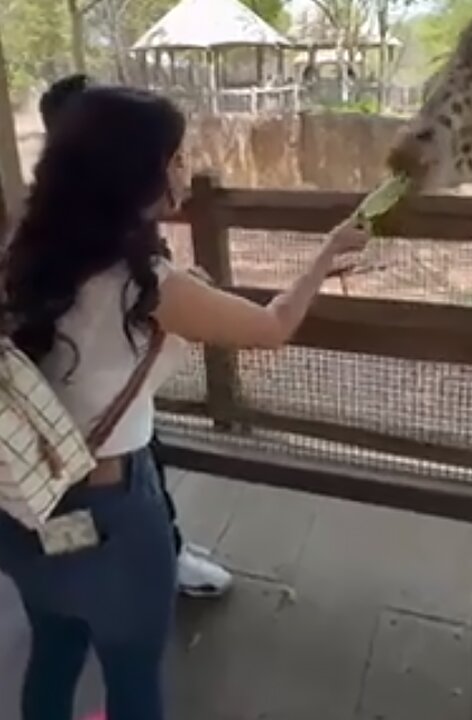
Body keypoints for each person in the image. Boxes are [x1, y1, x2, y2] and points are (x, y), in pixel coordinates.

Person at [0, 84, 369, 718]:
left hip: (23, 505)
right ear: (134, 173)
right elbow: (273, 325)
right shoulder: (148, 285)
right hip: (115, 515)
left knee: (54, 650)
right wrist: (328, 252)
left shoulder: (19, 256)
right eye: (173, 158)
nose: (182, 170)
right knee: (133, 673)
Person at [39, 73, 233, 598]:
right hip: (103, 471)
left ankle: (69, 582)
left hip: (55, 463)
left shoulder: (48, 243)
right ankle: (144, 569)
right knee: (117, 539)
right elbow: (270, 327)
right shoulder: (105, 261)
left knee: (59, 570)